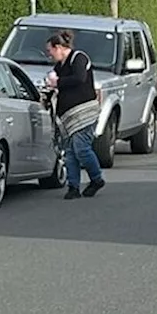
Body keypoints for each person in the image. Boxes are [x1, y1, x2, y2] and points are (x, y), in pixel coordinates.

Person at [46, 30, 106, 199]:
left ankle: (96, 179)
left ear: (58, 47)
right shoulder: (59, 66)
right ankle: (73, 187)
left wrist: (58, 82)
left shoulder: (79, 58)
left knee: (81, 148)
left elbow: (79, 78)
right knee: (70, 151)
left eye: (50, 50)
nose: (49, 54)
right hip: (69, 116)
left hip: (85, 113)